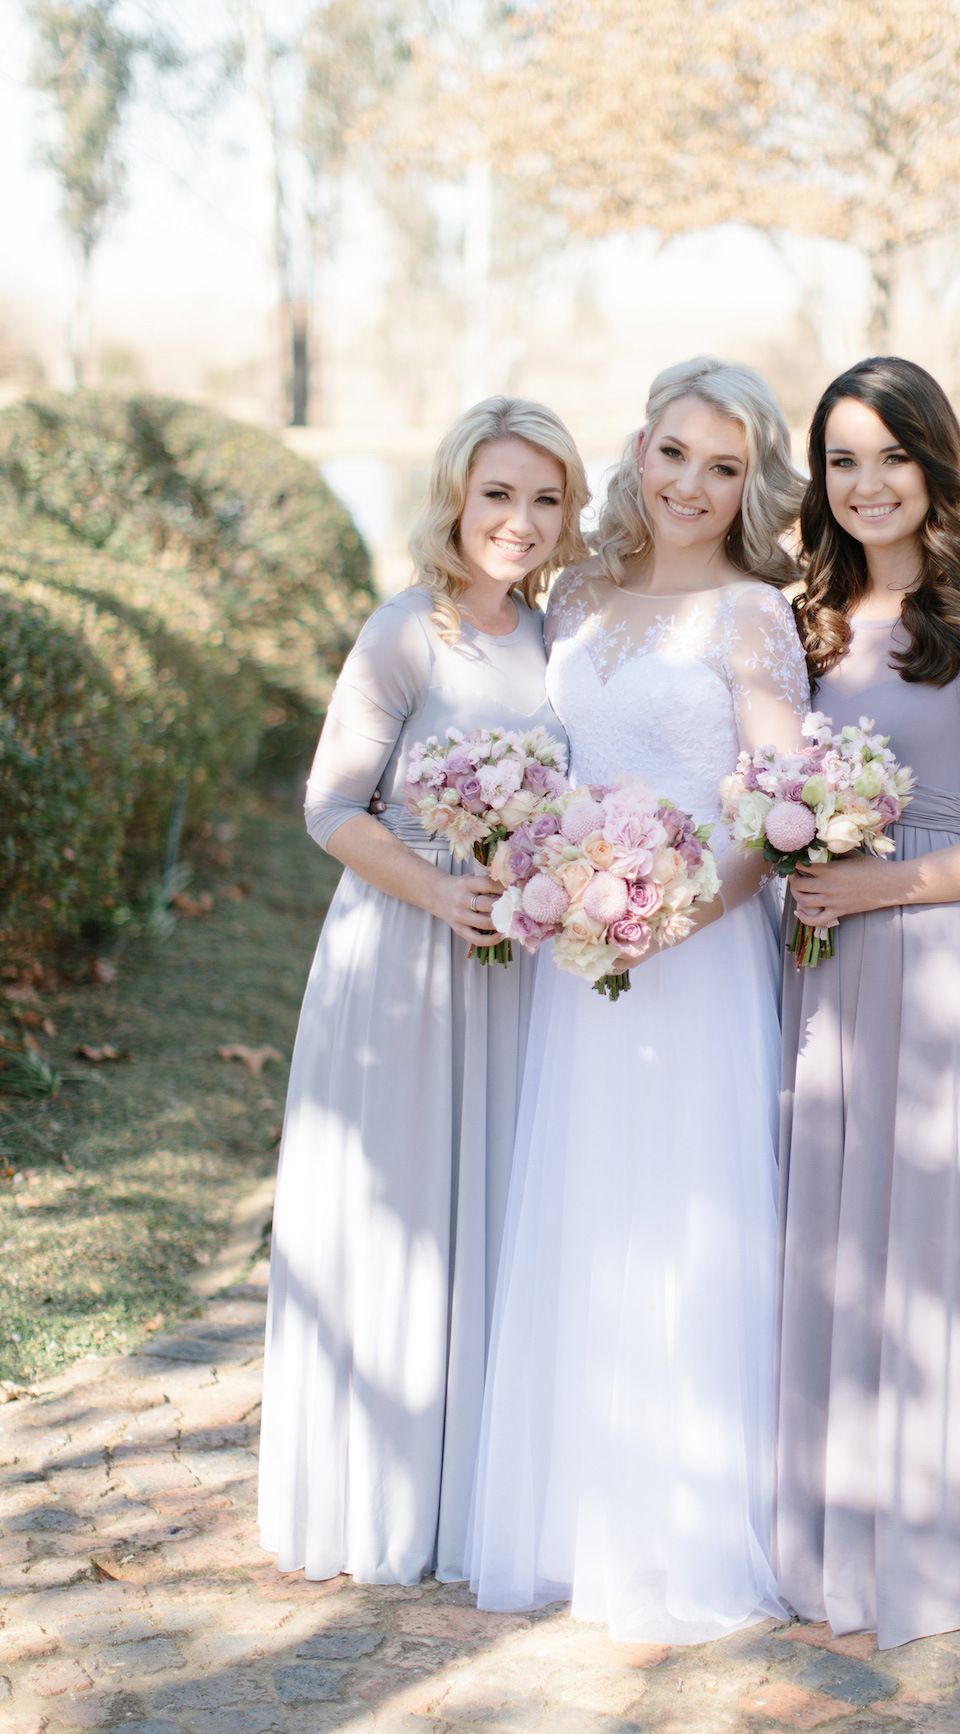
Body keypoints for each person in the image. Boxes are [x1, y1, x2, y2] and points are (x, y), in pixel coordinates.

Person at [467, 357, 810, 1642]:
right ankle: (572, 1513)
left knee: (685, 1213)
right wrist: (546, 869)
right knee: (584, 1206)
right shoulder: (581, 596)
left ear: (750, 482)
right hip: (580, 958)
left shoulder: (751, 617)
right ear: (641, 449)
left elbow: (780, 812)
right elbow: (550, 763)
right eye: (674, 454)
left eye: (724, 468)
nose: (691, 486)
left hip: (694, 956)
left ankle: (685, 1525)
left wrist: (679, 909)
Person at [259, 398, 589, 1585]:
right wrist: (435, 891)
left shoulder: (556, 641)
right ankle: (381, 1503)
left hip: (515, 964)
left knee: (495, 1211)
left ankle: (476, 1503)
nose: (519, 519)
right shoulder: (409, 632)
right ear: (455, 496)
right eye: (498, 492)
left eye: (546, 498)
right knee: (399, 1220)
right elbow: (330, 807)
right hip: (403, 953)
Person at [775, 357, 960, 1650]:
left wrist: (886, 882)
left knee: (929, 1246)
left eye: (889, 456)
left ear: (934, 465)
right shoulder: (798, 617)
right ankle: (823, 1533)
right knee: (828, 1241)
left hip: (940, 959)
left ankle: (935, 1545)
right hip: (817, 975)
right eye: (842, 460)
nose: (866, 484)